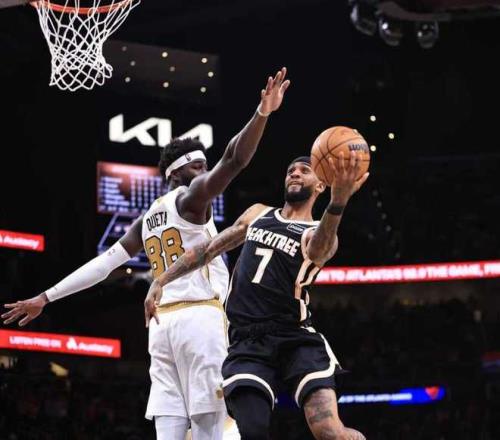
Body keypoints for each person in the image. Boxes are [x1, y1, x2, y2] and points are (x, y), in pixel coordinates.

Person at [2, 67, 291, 440]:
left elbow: (103, 265)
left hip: (161, 326)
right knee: (213, 428)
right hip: (199, 319)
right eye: (199, 166)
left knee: (169, 429)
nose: (206, 172)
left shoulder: (146, 219)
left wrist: (45, 297)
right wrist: (262, 113)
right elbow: (234, 159)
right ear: (177, 173)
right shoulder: (191, 198)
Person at [144, 152, 369, 439]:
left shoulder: (318, 231)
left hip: (295, 336)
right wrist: (161, 279)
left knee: (329, 431)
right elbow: (208, 249)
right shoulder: (258, 213)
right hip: (247, 341)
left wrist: (338, 203)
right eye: (291, 170)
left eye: (304, 170)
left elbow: (319, 251)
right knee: (252, 431)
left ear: (320, 185)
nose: (295, 173)